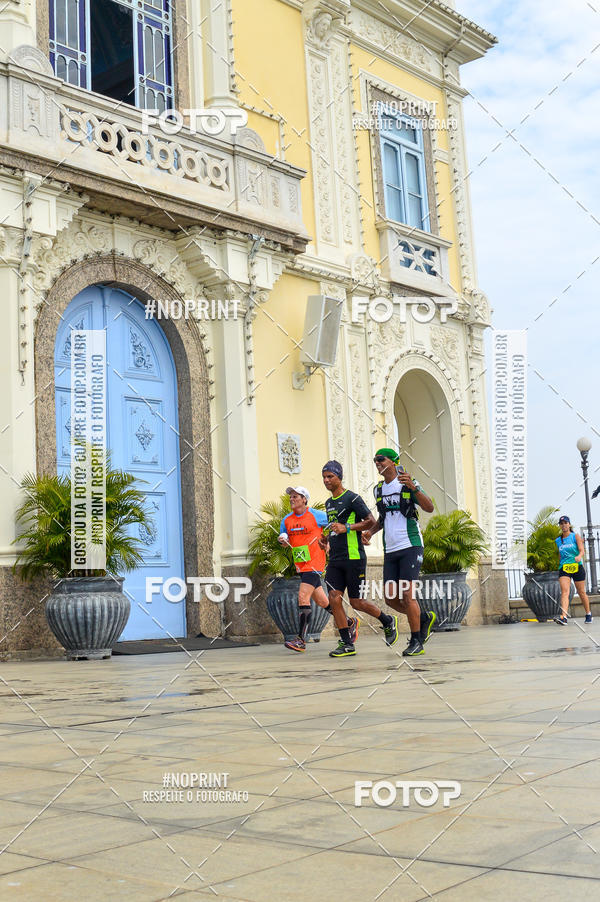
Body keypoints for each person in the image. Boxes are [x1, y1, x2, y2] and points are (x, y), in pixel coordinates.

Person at [361, 448, 436, 656]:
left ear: (393, 462)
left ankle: (416, 641)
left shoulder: (406, 483)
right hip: (391, 549)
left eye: (380, 459)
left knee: (407, 595)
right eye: (375, 460)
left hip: (410, 545)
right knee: (390, 598)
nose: (377, 463)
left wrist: (415, 488)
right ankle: (423, 618)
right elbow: (383, 519)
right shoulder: (378, 490)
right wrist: (370, 532)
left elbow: (429, 507)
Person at [320, 460, 399, 657]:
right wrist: (326, 538)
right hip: (335, 559)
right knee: (334, 598)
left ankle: (387, 621)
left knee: (357, 602)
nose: (326, 480)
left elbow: (370, 521)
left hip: (354, 558)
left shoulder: (352, 499)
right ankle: (347, 643)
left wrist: (347, 527)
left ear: (340, 477)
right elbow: (335, 527)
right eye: (324, 477)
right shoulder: (329, 503)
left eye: (330, 476)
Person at [278, 486, 331, 652]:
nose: (292, 499)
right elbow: (283, 537)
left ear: (304, 499)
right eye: (291, 497)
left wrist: (328, 541)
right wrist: (283, 541)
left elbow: (336, 526)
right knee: (322, 601)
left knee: (302, 596)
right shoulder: (286, 520)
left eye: (295, 496)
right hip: (300, 563)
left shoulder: (317, 515)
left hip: (315, 562)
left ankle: (301, 640)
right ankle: (349, 623)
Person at [554, 515, 592, 625]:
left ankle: (588, 613)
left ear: (569, 524)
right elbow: (561, 555)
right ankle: (564, 617)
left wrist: (579, 556)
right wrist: (560, 565)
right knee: (565, 592)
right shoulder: (558, 540)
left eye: (566, 523)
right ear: (560, 526)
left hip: (577, 567)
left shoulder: (575, 536)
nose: (564, 525)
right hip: (564, 568)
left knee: (581, 592)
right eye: (561, 523)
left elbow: (581, 550)